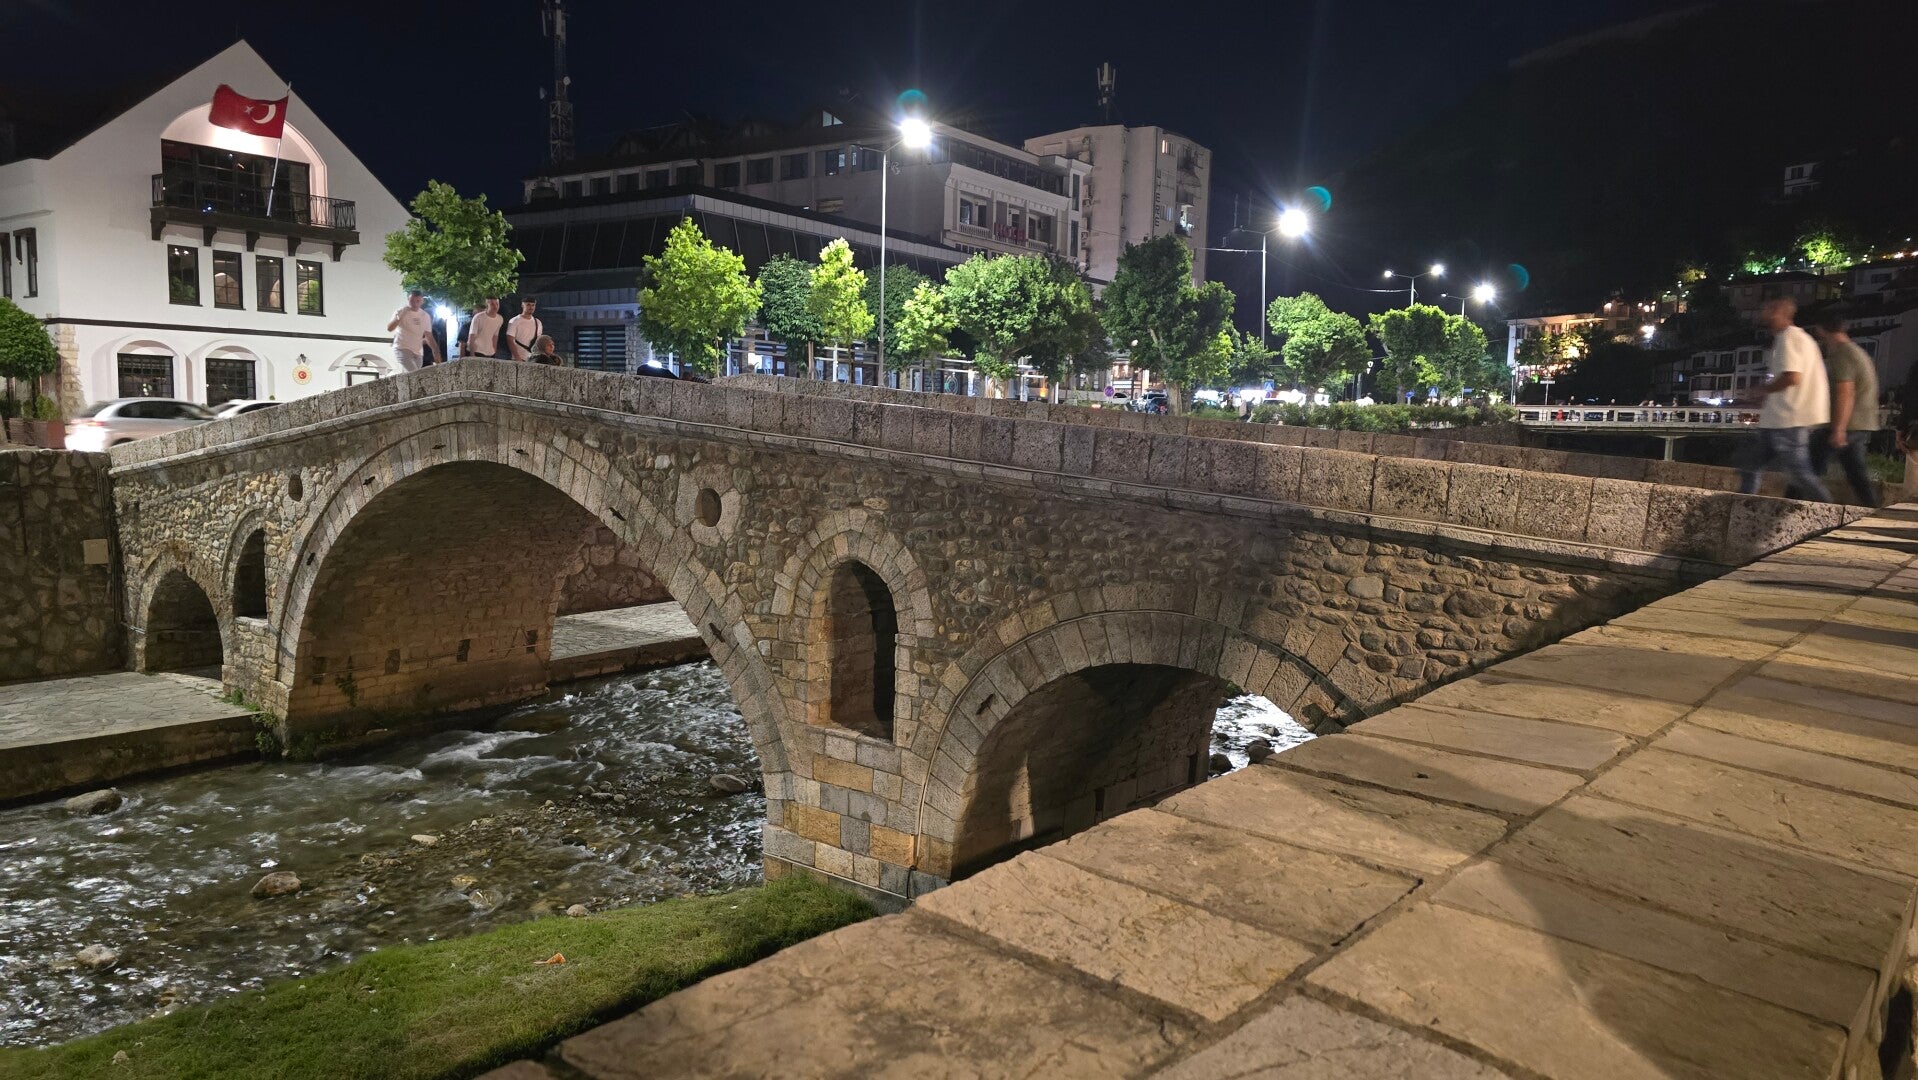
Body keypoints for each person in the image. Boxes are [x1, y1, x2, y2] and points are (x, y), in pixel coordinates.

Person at [1738, 298, 1832, 501]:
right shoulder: (1800, 338)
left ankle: (1829, 508)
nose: (1762, 312)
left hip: (1788, 420)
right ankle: (1742, 505)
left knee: (1801, 474)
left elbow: (1792, 377)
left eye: (1766, 309)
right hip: (1779, 420)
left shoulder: (1789, 338)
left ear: (1777, 313)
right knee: (1750, 466)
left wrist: (1762, 390)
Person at [1809, 311, 1881, 506]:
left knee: (1808, 469)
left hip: (1845, 424)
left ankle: (1787, 508)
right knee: (1857, 476)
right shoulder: (1857, 352)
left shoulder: (1842, 354)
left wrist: (1839, 429)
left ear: (1820, 330)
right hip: (1860, 424)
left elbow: (1845, 393)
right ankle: (1872, 509)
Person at [386, 291, 440, 372]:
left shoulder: (425, 316)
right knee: (415, 373)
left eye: (417, 301)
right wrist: (400, 316)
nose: (414, 304)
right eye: (412, 301)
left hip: (418, 352)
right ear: (408, 300)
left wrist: (436, 351)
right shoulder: (400, 311)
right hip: (402, 348)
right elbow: (390, 328)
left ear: (422, 301)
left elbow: (429, 335)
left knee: (415, 375)